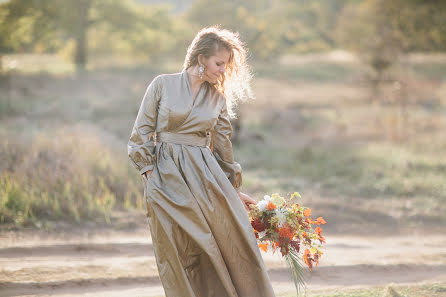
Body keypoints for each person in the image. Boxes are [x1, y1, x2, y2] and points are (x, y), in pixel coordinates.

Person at [127, 25, 277, 297]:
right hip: (166, 177)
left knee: (227, 243)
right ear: (201, 59)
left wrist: (232, 188)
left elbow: (222, 147)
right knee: (181, 249)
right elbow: (140, 133)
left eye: (226, 65)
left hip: (206, 178)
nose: (222, 70)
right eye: (219, 63)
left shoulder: (216, 97)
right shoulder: (162, 84)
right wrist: (150, 174)